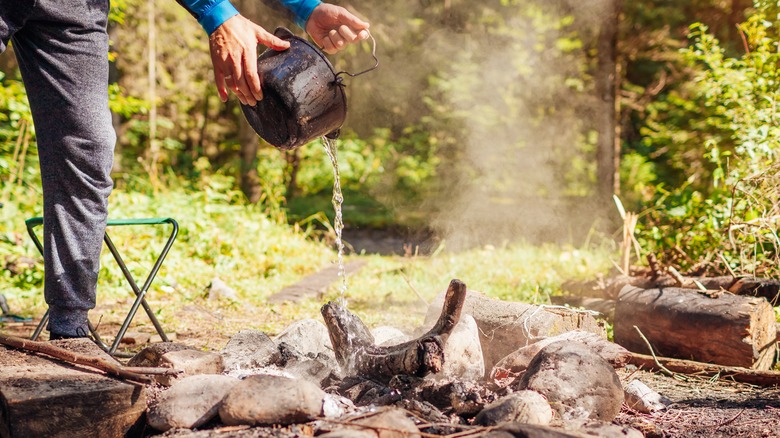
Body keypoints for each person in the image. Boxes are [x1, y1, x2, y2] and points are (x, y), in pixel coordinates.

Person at [0, 0, 369, 339]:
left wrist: (304, 8)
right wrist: (216, 13)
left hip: (73, 8)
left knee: (88, 148)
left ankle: (69, 326)